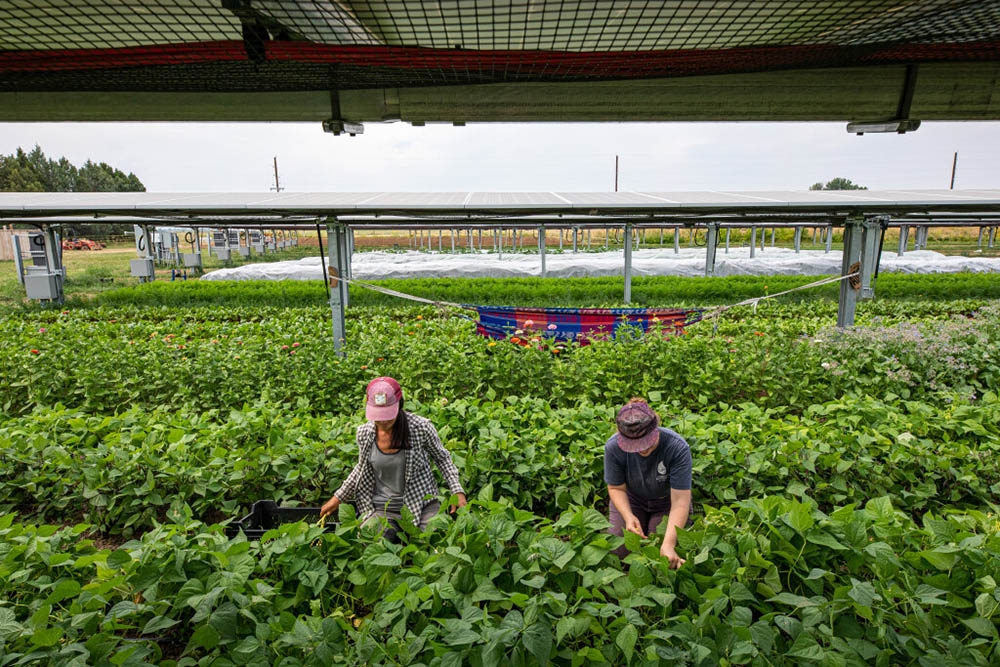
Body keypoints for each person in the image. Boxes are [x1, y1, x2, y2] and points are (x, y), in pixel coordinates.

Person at [320, 377, 467, 538]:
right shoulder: (365, 434)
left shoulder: (420, 428)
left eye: (387, 414)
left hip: (421, 503)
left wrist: (457, 490)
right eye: (378, 415)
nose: (382, 421)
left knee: (433, 538)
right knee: (369, 540)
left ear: (400, 405)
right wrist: (338, 498)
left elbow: (442, 458)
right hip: (383, 508)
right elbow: (361, 469)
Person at [604, 398, 692, 568]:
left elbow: (680, 501)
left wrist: (669, 544)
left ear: (656, 429)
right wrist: (628, 517)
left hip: (667, 502)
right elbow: (616, 488)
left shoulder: (677, 447)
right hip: (632, 499)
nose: (642, 449)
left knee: (659, 549)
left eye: (646, 442)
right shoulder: (613, 447)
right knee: (620, 549)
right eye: (634, 445)